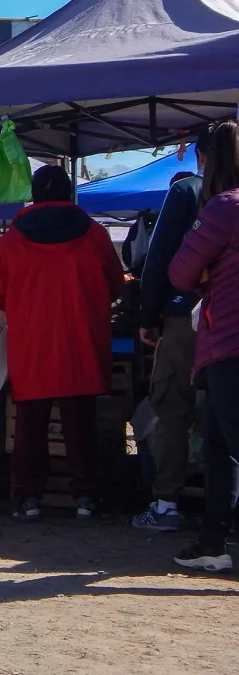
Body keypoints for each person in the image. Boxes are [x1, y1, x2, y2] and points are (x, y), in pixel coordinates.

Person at [0, 165, 125, 522]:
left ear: (33, 196)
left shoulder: (13, 240)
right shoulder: (95, 234)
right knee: (80, 424)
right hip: (80, 341)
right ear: (70, 193)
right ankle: (86, 498)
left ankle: (27, 498)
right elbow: (116, 285)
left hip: (32, 344)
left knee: (29, 426)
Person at [167, 119, 239, 574]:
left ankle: (214, 540)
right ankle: (213, 540)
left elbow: (180, 271)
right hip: (225, 344)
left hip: (229, 342)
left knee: (228, 442)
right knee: (218, 443)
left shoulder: (223, 209)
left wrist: (207, 274)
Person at [133, 127, 214, 532]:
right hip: (229, 320)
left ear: (200, 155)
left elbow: (159, 258)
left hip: (186, 317)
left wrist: (148, 316)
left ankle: (167, 504)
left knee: (173, 407)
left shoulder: (186, 192)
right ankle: (225, 507)